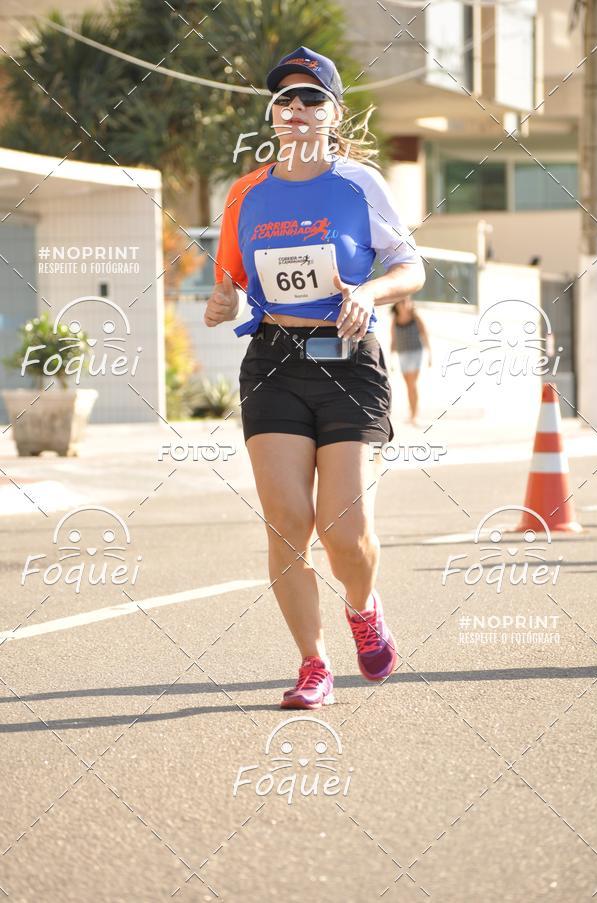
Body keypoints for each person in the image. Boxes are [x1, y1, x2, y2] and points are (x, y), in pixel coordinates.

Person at [205, 46, 425, 709]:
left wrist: (370, 293)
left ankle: (363, 606)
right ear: (274, 114)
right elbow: (229, 279)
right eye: (285, 99)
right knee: (286, 524)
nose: (296, 107)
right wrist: (220, 301)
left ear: (333, 114)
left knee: (343, 534)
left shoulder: (360, 185)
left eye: (311, 98)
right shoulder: (246, 192)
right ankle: (313, 663)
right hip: (272, 362)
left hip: (348, 362)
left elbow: (410, 267)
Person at [390, 296, 431, 426]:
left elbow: (425, 335)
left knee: (412, 384)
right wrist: (391, 359)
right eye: (401, 302)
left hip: (416, 353)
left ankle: (414, 415)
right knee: (408, 386)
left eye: (406, 301)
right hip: (402, 354)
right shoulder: (395, 319)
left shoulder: (415, 317)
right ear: (396, 305)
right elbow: (393, 340)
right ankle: (412, 414)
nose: (404, 304)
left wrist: (430, 355)